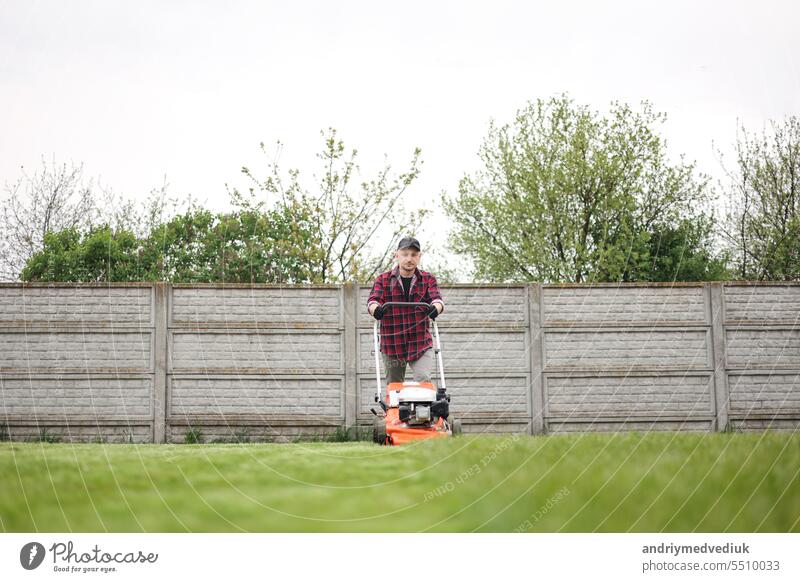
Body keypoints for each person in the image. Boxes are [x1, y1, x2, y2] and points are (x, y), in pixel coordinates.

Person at [367, 236, 445, 386]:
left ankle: (422, 410)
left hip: (420, 342)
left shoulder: (428, 279)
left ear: (419, 256)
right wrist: (375, 310)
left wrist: (436, 308)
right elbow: (373, 301)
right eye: (405, 254)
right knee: (394, 387)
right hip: (392, 344)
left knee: (423, 381)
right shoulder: (383, 280)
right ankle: (394, 410)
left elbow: (437, 300)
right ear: (397, 255)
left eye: (414, 255)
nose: (409, 259)